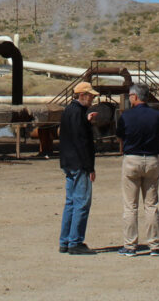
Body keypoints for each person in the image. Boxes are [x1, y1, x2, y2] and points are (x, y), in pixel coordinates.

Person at [115, 83, 159, 256]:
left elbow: (120, 135)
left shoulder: (126, 116)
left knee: (131, 206)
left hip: (132, 159)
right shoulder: (156, 116)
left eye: (130, 95)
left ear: (135, 97)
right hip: (151, 159)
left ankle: (130, 245)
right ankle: (155, 245)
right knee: (151, 205)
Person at [59, 81, 99, 254]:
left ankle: (65, 241)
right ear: (82, 95)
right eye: (90, 96)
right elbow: (81, 141)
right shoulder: (77, 112)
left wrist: (87, 121)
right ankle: (75, 242)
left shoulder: (70, 110)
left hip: (68, 162)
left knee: (71, 202)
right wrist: (90, 167)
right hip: (79, 164)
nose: (92, 99)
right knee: (82, 202)